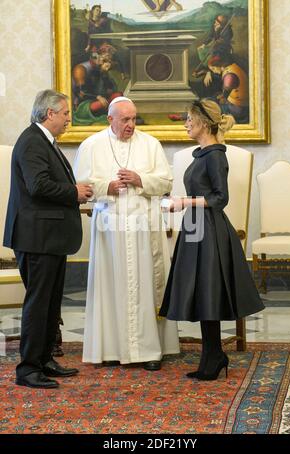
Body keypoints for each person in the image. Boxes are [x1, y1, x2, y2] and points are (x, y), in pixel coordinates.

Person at [159, 99, 264, 380]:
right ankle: (213, 355)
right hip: (195, 226)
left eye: (189, 119)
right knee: (203, 292)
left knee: (208, 291)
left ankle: (214, 356)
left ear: (203, 123)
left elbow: (220, 198)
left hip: (209, 229)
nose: (185, 124)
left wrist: (183, 201)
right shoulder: (202, 154)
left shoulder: (216, 155)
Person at [74, 96, 180, 371]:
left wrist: (140, 179)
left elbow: (167, 182)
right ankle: (111, 348)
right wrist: (106, 186)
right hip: (109, 229)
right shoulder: (91, 145)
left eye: (133, 119)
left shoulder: (150, 144)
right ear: (110, 119)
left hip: (144, 228)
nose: (131, 124)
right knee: (110, 285)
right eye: (125, 119)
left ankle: (148, 351)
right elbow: (79, 185)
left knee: (145, 284)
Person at [3, 89, 94, 388]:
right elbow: (38, 185)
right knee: (39, 304)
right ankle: (28, 369)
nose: (70, 118)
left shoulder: (45, 141)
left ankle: (44, 360)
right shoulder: (31, 141)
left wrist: (74, 190)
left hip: (49, 237)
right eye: (66, 113)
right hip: (36, 237)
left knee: (51, 304)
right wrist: (74, 192)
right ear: (49, 113)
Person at [206, 55, 249, 123]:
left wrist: (220, 98)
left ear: (219, 65)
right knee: (210, 100)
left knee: (209, 106)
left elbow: (225, 94)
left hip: (238, 109)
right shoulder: (233, 67)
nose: (214, 72)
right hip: (240, 105)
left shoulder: (229, 75)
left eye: (213, 69)